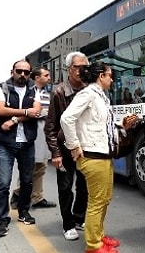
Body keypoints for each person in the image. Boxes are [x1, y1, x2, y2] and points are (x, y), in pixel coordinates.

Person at [61, 61, 138, 253]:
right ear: (101, 76)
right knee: (97, 200)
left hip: (103, 154)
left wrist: (121, 126)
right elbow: (66, 118)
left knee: (104, 198)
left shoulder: (99, 95)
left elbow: (98, 124)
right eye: (110, 75)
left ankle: (99, 236)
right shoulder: (88, 94)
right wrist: (74, 146)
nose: (112, 79)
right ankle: (94, 244)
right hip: (92, 155)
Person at [0, 60, 41, 237]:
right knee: (3, 183)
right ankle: (2, 219)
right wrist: (26, 112)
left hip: (27, 142)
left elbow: (36, 111)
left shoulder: (33, 88)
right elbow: (0, 110)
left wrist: (14, 118)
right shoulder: (2, 87)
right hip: (5, 143)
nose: (23, 75)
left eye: (26, 72)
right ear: (12, 71)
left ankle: (23, 212)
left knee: (27, 181)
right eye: (19, 71)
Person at [45, 52, 90, 241]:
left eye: (84, 67)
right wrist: (55, 153)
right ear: (68, 69)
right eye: (76, 67)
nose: (80, 71)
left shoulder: (90, 90)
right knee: (65, 187)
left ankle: (79, 218)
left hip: (86, 147)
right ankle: (68, 224)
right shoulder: (59, 92)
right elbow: (50, 127)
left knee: (84, 186)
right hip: (64, 150)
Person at [10, 67, 57, 209]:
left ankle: (37, 197)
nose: (49, 77)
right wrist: (43, 112)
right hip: (32, 132)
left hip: (44, 132)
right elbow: (33, 112)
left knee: (41, 166)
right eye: (46, 75)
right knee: (30, 166)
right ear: (37, 77)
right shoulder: (29, 91)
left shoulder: (45, 93)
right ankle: (18, 194)